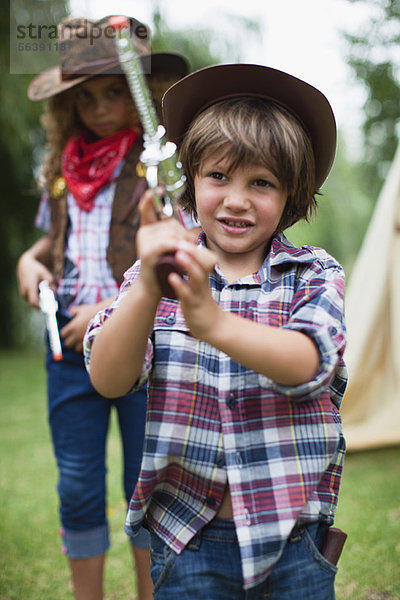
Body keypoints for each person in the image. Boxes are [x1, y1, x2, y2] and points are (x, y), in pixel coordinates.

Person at [83, 63, 347, 599]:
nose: (236, 199)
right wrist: (145, 290)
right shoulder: (155, 276)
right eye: (219, 176)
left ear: (291, 193)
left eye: (261, 183)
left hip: (293, 540)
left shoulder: (314, 273)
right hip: (188, 541)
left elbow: (310, 362)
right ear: (190, 180)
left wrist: (212, 322)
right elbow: (109, 380)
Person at [16, 15, 194, 600]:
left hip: (138, 342)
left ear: (142, 95)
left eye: (115, 91)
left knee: (145, 482)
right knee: (78, 485)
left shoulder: (155, 168)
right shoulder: (63, 169)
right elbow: (54, 238)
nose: (98, 107)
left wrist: (107, 305)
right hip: (67, 347)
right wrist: (30, 259)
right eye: (85, 96)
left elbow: (177, 251)